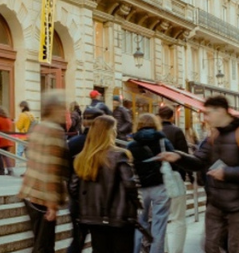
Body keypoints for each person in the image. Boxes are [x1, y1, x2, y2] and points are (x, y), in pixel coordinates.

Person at [158, 96, 239, 253]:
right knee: (210, 246)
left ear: (222, 111)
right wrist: (178, 157)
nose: (205, 118)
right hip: (216, 202)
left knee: (235, 248)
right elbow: (199, 161)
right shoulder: (213, 137)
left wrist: (227, 173)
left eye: (208, 113)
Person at [72, 116, 139, 253]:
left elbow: (73, 188)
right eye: (113, 130)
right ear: (109, 133)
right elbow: (130, 185)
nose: (115, 133)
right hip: (119, 218)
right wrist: (138, 206)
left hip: (93, 218)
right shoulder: (120, 155)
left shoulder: (81, 158)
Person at [17, 90, 69, 253]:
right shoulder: (54, 131)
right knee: (45, 246)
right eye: (62, 108)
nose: (64, 112)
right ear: (53, 108)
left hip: (30, 192)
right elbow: (50, 169)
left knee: (40, 244)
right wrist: (52, 205)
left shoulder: (38, 127)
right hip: (43, 197)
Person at [126, 113, 173, 253]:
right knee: (159, 224)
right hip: (161, 186)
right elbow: (174, 161)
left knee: (140, 224)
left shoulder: (131, 144)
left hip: (140, 188)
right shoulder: (163, 141)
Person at [66, 106, 104, 253]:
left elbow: (67, 171)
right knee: (99, 241)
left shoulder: (74, 143)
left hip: (77, 199)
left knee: (78, 240)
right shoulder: (104, 144)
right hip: (98, 200)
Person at [157, 106, 188, 253]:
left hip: (155, 182)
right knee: (177, 218)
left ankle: (163, 249)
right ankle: (176, 251)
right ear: (172, 117)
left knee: (160, 220)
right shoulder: (176, 131)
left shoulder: (153, 134)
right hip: (174, 177)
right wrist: (183, 176)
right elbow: (184, 156)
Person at [0, 107, 15, 176]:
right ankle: (10, 170)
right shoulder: (8, 119)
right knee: (6, 155)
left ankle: (1, 170)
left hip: (0, 140)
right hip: (8, 140)